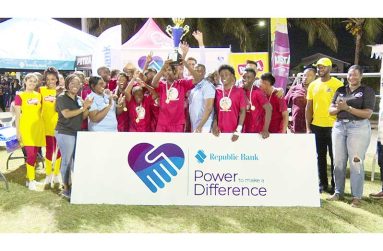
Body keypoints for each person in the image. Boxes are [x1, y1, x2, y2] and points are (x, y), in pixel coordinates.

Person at [326, 65, 375, 207]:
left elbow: (367, 113)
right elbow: (330, 110)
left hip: (358, 128)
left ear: (361, 76)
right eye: (349, 74)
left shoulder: (367, 91)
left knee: (356, 162)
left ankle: (356, 196)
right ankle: (338, 192)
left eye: (355, 75)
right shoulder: (341, 90)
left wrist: (348, 108)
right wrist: (338, 109)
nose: (351, 77)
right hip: (340, 127)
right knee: (338, 162)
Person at [306, 57, 344, 194]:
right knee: (319, 157)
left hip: (334, 126)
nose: (320, 69)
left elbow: (342, 105)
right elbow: (308, 107)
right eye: (318, 67)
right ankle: (322, 184)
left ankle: (336, 186)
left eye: (322, 67)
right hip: (317, 126)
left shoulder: (338, 84)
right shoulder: (313, 85)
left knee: (335, 157)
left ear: (329, 68)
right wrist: (308, 127)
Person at [55, 74, 93, 199]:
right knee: (66, 160)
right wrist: (83, 108)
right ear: (67, 84)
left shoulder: (78, 98)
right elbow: (66, 114)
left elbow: (83, 116)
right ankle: (66, 189)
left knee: (74, 161)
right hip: (65, 132)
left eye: (78, 84)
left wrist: (87, 107)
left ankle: (72, 184)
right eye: (72, 83)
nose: (75, 86)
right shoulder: (61, 97)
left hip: (76, 132)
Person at [151, 43, 203, 132]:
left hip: (177, 123)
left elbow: (198, 78)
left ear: (177, 72)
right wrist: (162, 68)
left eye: (172, 70)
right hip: (162, 123)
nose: (169, 72)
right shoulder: (163, 85)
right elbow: (153, 83)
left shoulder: (182, 83)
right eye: (167, 70)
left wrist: (186, 64)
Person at [14, 73, 46, 191]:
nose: (32, 83)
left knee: (35, 154)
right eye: (30, 81)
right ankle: (31, 180)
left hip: (38, 128)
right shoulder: (20, 96)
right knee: (31, 154)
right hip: (25, 128)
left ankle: (29, 178)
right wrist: (18, 132)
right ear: (25, 81)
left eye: (34, 81)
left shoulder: (38, 95)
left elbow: (41, 112)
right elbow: (17, 116)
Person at [40, 67, 62, 189]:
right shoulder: (41, 90)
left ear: (57, 79)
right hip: (47, 126)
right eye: (48, 79)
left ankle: (57, 173)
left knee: (59, 151)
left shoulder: (61, 91)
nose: (50, 81)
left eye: (53, 79)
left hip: (60, 126)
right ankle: (48, 175)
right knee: (49, 150)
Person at [212, 64, 246, 142]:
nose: (223, 77)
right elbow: (216, 111)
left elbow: (242, 112)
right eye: (221, 75)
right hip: (219, 133)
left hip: (235, 133)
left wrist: (238, 130)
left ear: (232, 76)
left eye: (226, 74)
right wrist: (215, 125)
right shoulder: (217, 91)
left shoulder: (239, 91)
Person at [242, 68, 272, 138]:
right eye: (244, 77)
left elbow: (269, 109)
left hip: (257, 131)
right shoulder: (240, 90)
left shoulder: (258, 92)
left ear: (254, 79)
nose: (245, 79)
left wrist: (265, 129)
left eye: (248, 77)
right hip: (243, 131)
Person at [284, 67, 317, 133]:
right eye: (304, 75)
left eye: (309, 75)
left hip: (314, 126)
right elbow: (283, 105)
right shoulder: (294, 89)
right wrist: (286, 120)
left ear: (315, 77)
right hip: (297, 127)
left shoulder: (318, 90)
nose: (305, 77)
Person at [188, 64, 216, 133]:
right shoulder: (193, 87)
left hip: (204, 126)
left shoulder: (208, 86)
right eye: (195, 71)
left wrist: (200, 126)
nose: (196, 73)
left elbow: (209, 108)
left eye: (199, 71)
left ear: (204, 73)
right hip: (194, 124)